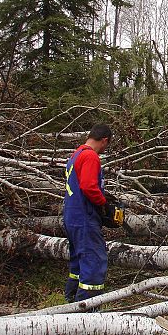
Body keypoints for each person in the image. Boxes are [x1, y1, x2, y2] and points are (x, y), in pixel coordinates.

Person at [63, 123, 112, 303]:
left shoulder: (75, 155)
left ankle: (71, 299)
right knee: (94, 260)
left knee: (78, 262)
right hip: (84, 216)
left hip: (71, 215)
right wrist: (104, 204)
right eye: (106, 145)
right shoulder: (91, 156)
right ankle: (86, 309)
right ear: (104, 140)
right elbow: (89, 186)